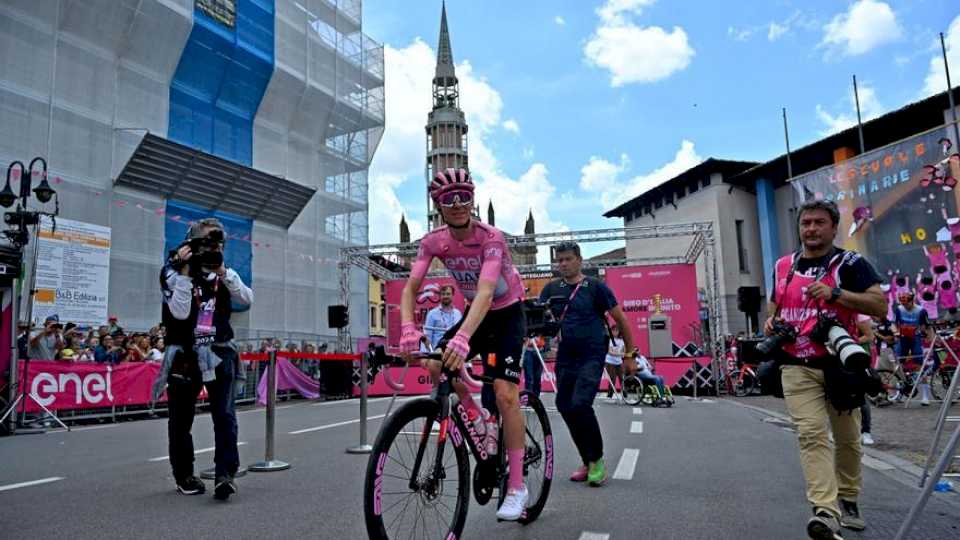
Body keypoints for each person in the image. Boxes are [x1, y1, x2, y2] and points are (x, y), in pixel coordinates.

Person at [398, 168, 529, 521]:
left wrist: (462, 336)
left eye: (464, 196)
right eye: (447, 198)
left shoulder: (491, 238)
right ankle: (476, 417)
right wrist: (409, 328)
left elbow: (486, 293)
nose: (457, 204)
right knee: (436, 363)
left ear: (472, 198)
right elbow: (410, 289)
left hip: (507, 313)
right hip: (476, 313)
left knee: (504, 394)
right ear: (437, 205)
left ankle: (517, 486)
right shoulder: (433, 242)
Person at [764, 199, 886, 539]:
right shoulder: (784, 265)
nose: (811, 229)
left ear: (833, 227)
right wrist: (771, 322)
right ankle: (825, 511)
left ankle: (848, 497)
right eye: (806, 223)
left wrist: (836, 294)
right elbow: (773, 308)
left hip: (840, 365)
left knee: (848, 440)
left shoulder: (852, 263)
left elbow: (879, 304)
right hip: (795, 364)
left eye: (819, 223)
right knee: (811, 435)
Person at [153, 217, 253, 501]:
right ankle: (184, 474)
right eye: (206, 243)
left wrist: (222, 271)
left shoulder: (222, 273)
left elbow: (246, 299)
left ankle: (225, 474)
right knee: (181, 419)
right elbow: (181, 313)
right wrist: (184, 272)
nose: (212, 248)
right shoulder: (171, 272)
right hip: (184, 353)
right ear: (190, 244)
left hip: (219, 351)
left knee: (225, 415)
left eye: (217, 243)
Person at [539, 241, 637, 487]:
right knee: (564, 405)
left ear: (579, 260)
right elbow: (539, 318)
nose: (563, 264)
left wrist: (629, 355)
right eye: (559, 260)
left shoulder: (595, 287)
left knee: (581, 403)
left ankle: (597, 461)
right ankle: (587, 459)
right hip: (566, 355)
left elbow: (621, 319)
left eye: (568, 259)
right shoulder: (551, 289)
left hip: (592, 353)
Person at [893, 291, 935, 406]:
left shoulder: (921, 311)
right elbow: (895, 324)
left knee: (919, 367)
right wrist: (895, 333)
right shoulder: (899, 309)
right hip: (902, 338)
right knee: (899, 366)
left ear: (912, 301)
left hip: (915, 338)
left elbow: (927, 327)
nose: (905, 306)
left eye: (907, 303)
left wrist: (931, 342)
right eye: (903, 303)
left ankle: (925, 397)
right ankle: (900, 394)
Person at [856, 316, 875, 445]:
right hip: (840, 358)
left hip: (860, 359)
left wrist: (849, 342)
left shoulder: (860, 316)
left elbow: (869, 336)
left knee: (862, 397)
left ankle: (866, 432)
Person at [604, 325, 624, 399]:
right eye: (613, 330)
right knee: (612, 378)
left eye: (616, 330)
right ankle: (610, 394)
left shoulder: (621, 341)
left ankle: (624, 393)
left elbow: (623, 352)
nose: (615, 332)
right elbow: (609, 352)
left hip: (619, 362)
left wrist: (619, 354)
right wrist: (619, 354)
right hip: (610, 361)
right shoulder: (609, 340)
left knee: (622, 378)